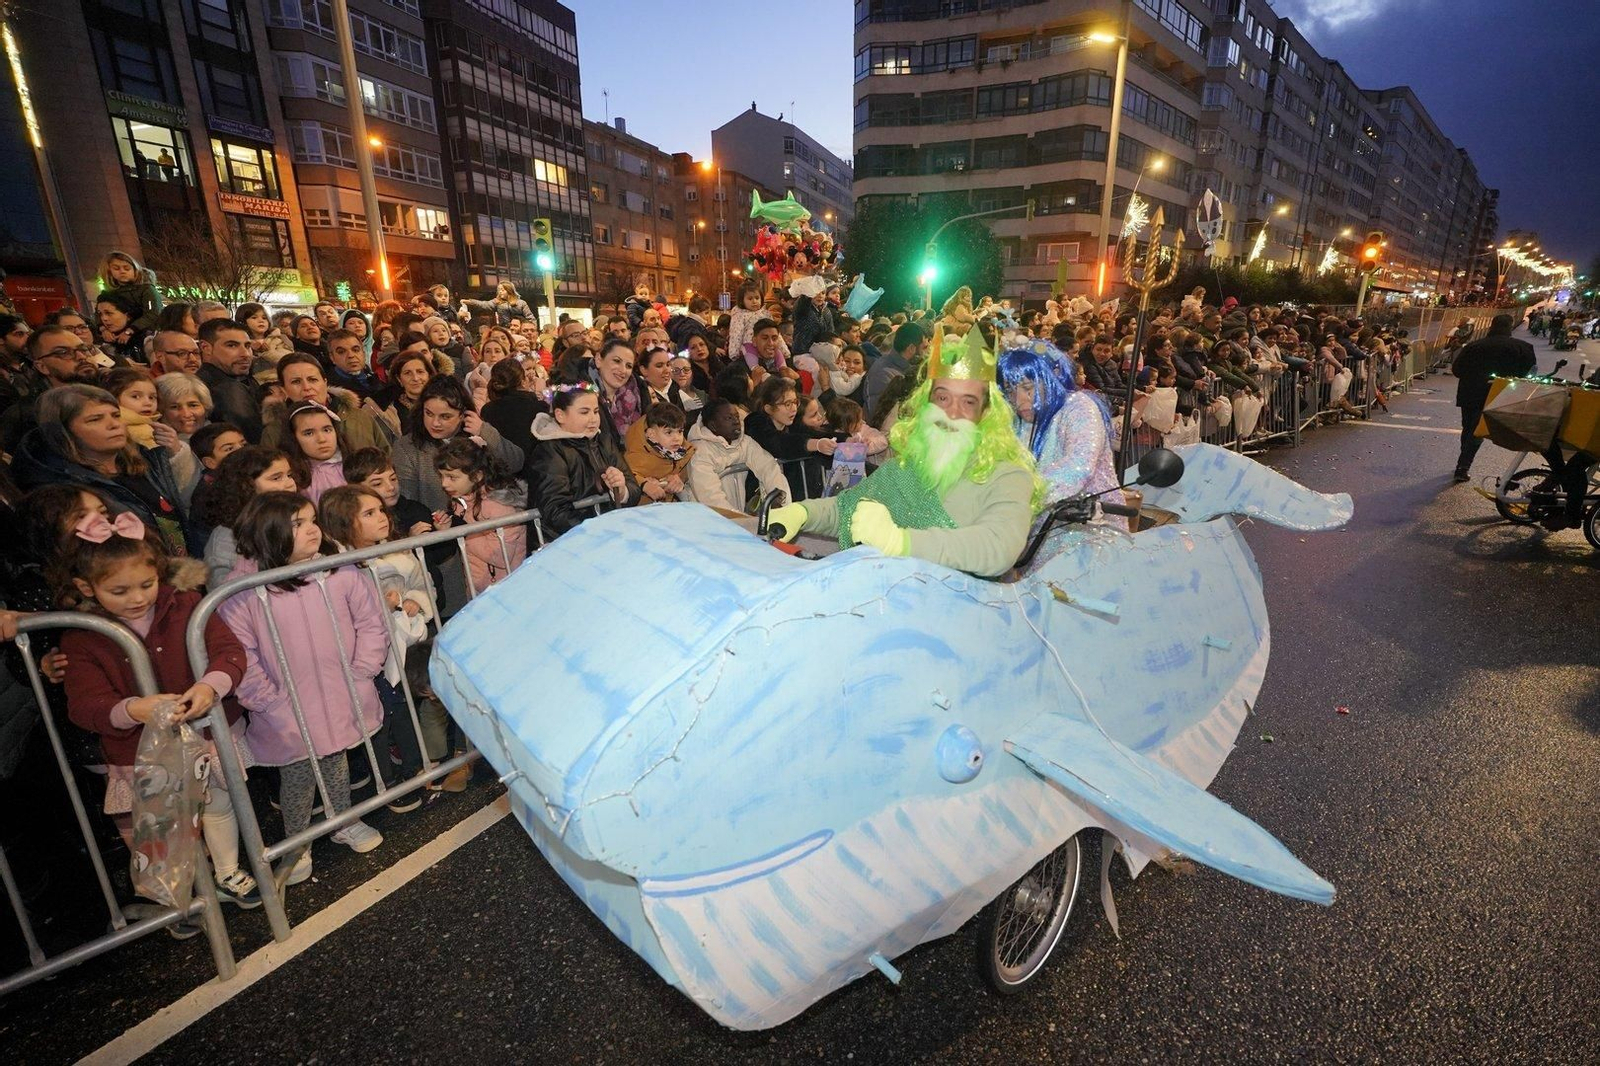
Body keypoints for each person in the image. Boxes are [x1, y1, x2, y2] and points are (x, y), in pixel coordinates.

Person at [57, 513, 260, 921]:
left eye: (147, 585)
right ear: (86, 588)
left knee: (218, 800)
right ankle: (176, 902)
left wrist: (210, 686)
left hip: (202, 731)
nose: (137, 598)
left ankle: (226, 871)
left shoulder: (184, 603)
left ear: (159, 574)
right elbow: (83, 704)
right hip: (138, 750)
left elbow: (228, 650)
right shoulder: (80, 635)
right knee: (160, 825)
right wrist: (133, 709)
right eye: (119, 590)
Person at [769, 326, 1043, 579]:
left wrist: (902, 542)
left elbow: (998, 546)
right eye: (943, 397)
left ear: (985, 413)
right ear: (926, 403)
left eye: (968, 402)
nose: (951, 413)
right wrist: (801, 513)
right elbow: (849, 507)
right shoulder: (908, 466)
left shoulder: (1008, 475)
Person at [218, 492, 389, 884]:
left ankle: (343, 821)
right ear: (268, 533)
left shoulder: (339, 572)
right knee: (297, 776)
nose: (313, 529)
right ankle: (298, 845)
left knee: (336, 762)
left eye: (312, 520)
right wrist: (267, 701)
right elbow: (240, 654)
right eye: (298, 524)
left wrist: (361, 670)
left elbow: (370, 622)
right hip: (286, 706)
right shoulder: (243, 593)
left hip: (338, 690)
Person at [315, 485, 438, 808]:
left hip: (399, 650)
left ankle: (413, 772)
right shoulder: (336, 568)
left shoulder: (399, 552)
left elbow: (424, 587)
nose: (382, 518)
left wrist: (414, 600)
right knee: (378, 723)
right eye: (369, 514)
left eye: (380, 510)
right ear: (343, 523)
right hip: (364, 660)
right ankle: (388, 783)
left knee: (402, 714)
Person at [11, 383, 199, 555]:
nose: (114, 424)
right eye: (95, 419)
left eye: (116, 415)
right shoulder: (61, 489)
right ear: (63, 432)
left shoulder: (145, 461)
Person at [998, 338, 1124, 550]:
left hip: (1089, 538)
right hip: (1035, 537)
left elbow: (1077, 465)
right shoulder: (1017, 419)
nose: (1019, 400)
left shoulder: (1078, 408)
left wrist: (1018, 494)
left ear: (1050, 379)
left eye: (1028, 388)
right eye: (1011, 390)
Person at [391, 375, 522, 514]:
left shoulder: (478, 436)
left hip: (486, 523)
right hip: (439, 530)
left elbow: (516, 463)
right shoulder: (407, 447)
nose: (435, 423)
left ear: (463, 415)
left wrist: (485, 431)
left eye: (445, 416)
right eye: (428, 413)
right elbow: (406, 502)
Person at [528, 383, 640, 537]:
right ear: (560, 415)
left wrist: (621, 490)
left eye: (595, 411)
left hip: (604, 535)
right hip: (565, 543)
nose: (593, 419)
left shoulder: (604, 441)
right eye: (584, 412)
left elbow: (632, 486)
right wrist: (596, 530)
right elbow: (555, 509)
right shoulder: (549, 451)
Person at [434, 437, 527, 592]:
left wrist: (460, 532)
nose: (444, 483)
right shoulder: (460, 501)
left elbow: (501, 556)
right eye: (442, 476)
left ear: (477, 476)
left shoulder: (498, 505)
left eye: (452, 477)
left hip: (507, 589)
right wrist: (447, 528)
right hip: (478, 587)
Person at [1452, 314, 1536, 482]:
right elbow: (1530, 374)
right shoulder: (1523, 347)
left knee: (1470, 429)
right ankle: (1463, 465)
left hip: (1470, 394)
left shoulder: (1474, 346)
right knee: (1477, 431)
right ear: (1510, 326)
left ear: (1492, 325)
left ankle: (1463, 462)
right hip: (1501, 395)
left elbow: (1457, 370)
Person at [199, 445, 298, 587]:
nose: (290, 484)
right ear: (246, 485)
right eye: (276, 478)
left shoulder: (299, 518)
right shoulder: (226, 539)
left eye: (289, 475)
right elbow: (227, 596)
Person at [261, 353, 388, 454]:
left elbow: (386, 458)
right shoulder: (275, 432)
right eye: (296, 382)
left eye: (312, 379)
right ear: (284, 390)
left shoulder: (359, 417)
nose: (307, 387)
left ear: (325, 382)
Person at [684, 397, 789, 514]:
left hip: (736, 517)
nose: (736, 421)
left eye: (737, 416)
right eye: (729, 418)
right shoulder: (699, 451)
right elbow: (710, 497)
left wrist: (777, 497)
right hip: (707, 520)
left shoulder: (745, 442)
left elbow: (768, 467)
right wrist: (738, 520)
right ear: (713, 425)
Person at [743, 376, 835, 501]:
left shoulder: (791, 423)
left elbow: (814, 434)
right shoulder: (756, 423)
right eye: (787, 404)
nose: (794, 408)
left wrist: (846, 440)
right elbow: (778, 442)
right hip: (761, 496)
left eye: (795, 402)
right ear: (768, 408)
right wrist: (815, 444)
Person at [196, 318, 264, 443]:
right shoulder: (226, 389)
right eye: (232, 345)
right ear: (205, 347)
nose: (246, 354)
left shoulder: (238, 379)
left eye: (248, 346)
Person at [479, 357, 547, 468]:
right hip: (535, 474)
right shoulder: (540, 408)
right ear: (523, 382)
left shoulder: (487, 410)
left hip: (499, 473)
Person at [624, 401, 694, 504]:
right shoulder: (637, 454)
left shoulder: (683, 450)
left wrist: (679, 477)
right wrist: (644, 484)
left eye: (680, 431)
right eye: (668, 432)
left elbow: (689, 463)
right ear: (651, 434)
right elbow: (624, 473)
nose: (677, 438)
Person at [862, 322, 926, 415]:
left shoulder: (903, 367)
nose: (926, 354)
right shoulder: (883, 375)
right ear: (911, 348)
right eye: (924, 348)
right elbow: (879, 417)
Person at [593, 337, 644, 443]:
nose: (623, 370)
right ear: (598, 360)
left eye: (629, 366)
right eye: (616, 361)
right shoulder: (583, 397)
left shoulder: (635, 396)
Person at [97, 251, 163, 332]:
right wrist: (103, 329)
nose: (122, 271)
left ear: (135, 269)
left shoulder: (147, 289)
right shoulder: (108, 294)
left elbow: (153, 313)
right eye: (116, 268)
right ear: (109, 271)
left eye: (127, 268)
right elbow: (98, 313)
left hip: (146, 333)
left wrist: (131, 330)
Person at [462, 283, 534, 329]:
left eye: (502, 290)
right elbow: (483, 304)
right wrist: (470, 302)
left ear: (509, 290)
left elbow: (530, 317)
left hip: (519, 329)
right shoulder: (497, 302)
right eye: (499, 290)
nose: (500, 292)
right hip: (504, 330)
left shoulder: (521, 303)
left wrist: (531, 329)